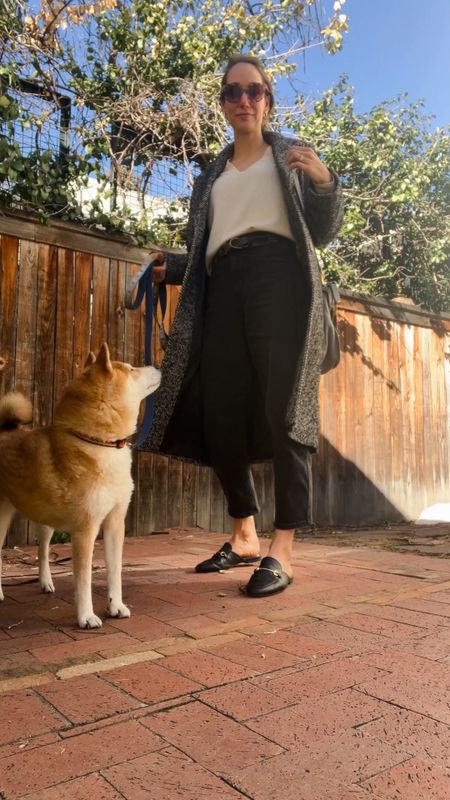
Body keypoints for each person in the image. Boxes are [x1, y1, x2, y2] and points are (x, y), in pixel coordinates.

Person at [145, 55, 343, 597]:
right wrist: (176, 268)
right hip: (221, 287)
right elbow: (208, 242)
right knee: (220, 410)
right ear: (223, 104)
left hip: (279, 280)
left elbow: (320, 232)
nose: (244, 101)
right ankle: (244, 533)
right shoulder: (210, 175)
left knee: (286, 408)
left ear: (268, 100)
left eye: (254, 91)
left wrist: (325, 183)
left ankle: (283, 548)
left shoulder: (291, 156)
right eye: (233, 92)